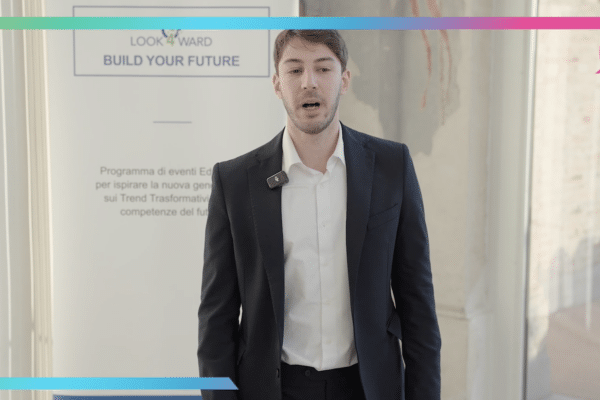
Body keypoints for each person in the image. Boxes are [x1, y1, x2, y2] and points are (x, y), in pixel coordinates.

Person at [197, 29, 441, 400]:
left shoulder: (392, 166)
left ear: (344, 80)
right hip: (274, 388)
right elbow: (216, 318)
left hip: (369, 387)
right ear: (277, 84)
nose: (308, 82)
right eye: (294, 70)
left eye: (323, 69)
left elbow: (417, 302)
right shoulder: (234, 181)